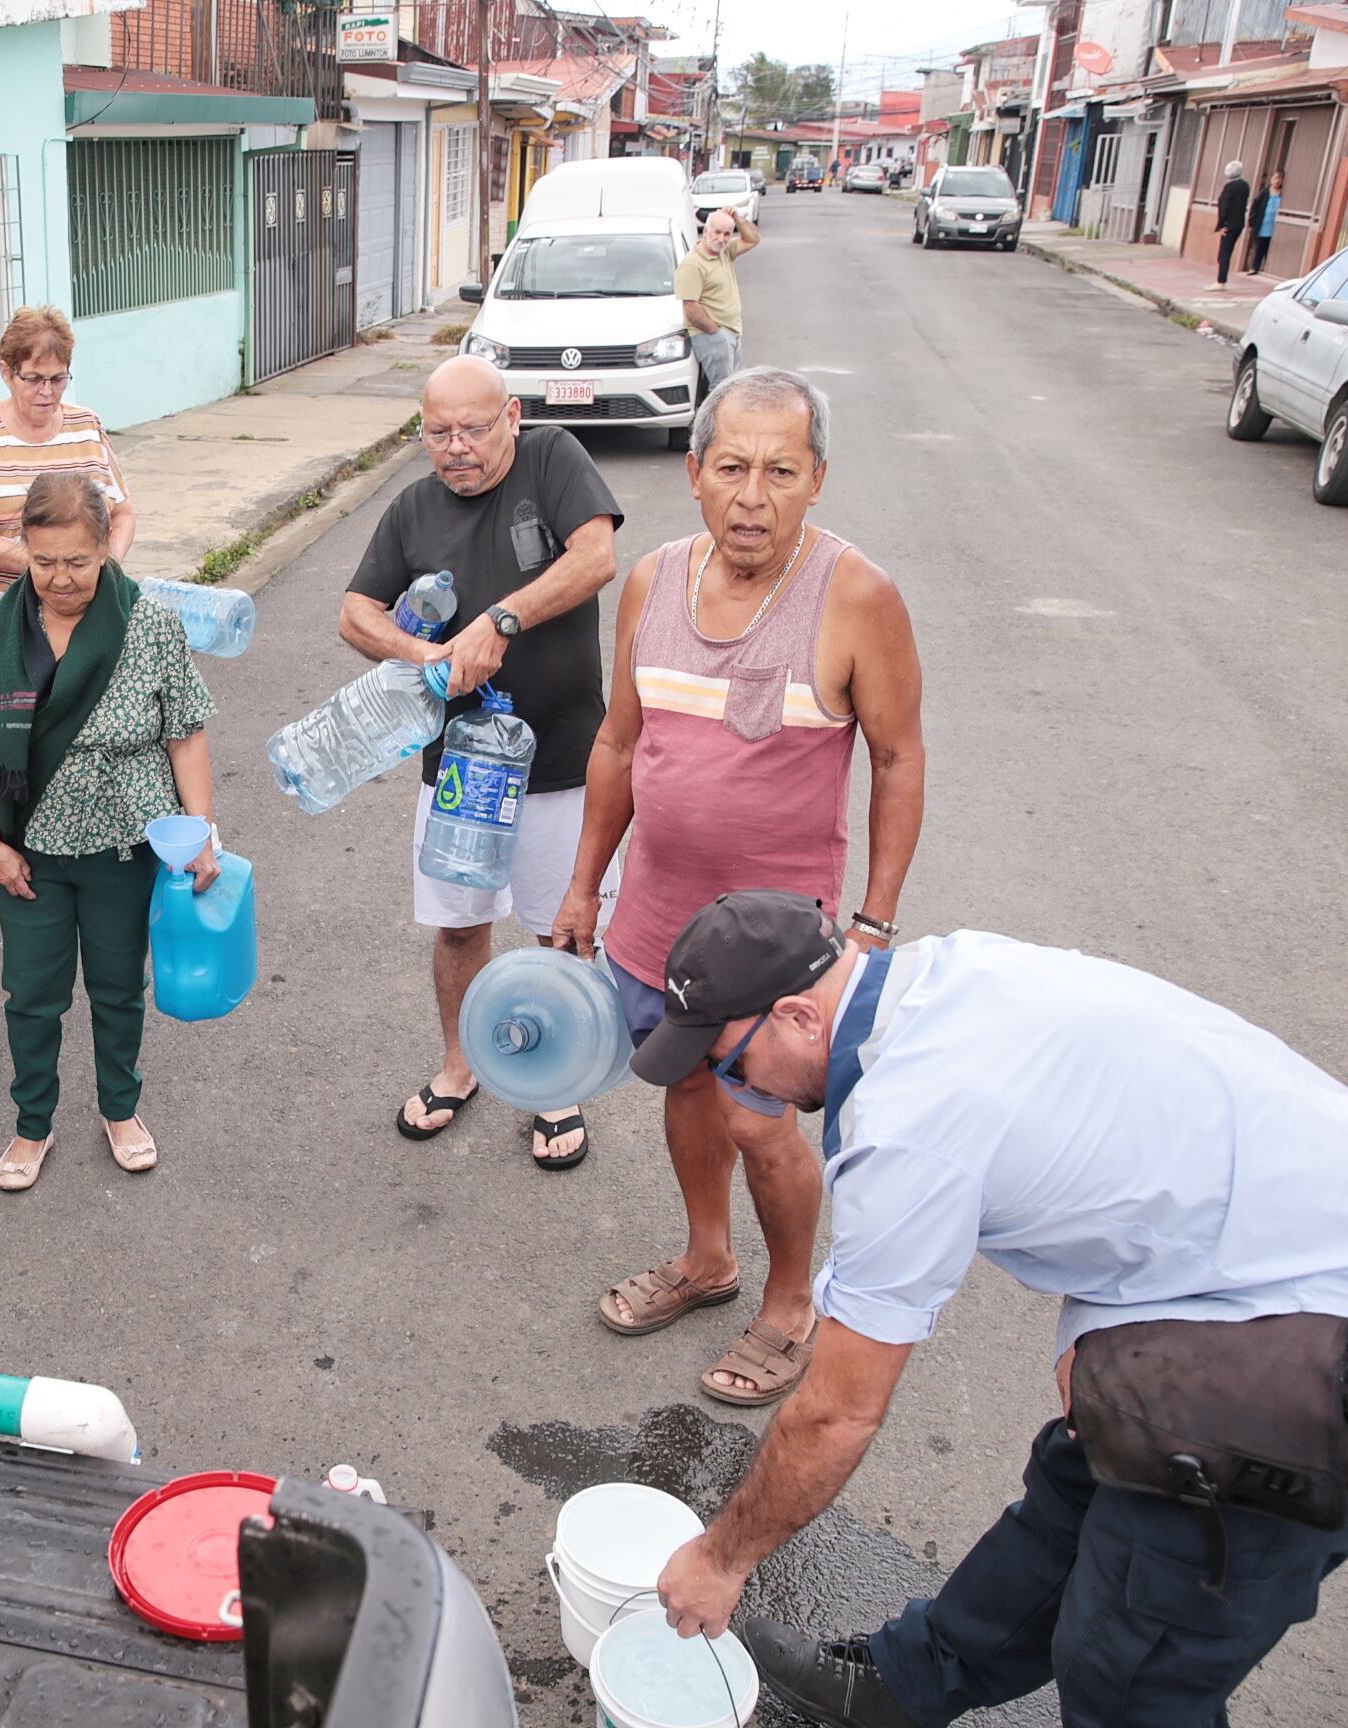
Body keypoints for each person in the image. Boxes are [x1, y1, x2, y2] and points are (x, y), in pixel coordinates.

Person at [632, 891, 1348, 1728]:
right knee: (1080, 1479)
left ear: (797, 1015)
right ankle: (905, 1687)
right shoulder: (947, 973)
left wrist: (724, 1555)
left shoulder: (909, 1125)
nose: (729, 1087)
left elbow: (836, 1415)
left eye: (727, 1061)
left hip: (1336, 1324)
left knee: (1135, 1664)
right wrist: (1099, 1324)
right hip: (1250, 1250)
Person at [550, 367, 924, 1407]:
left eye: (779, 471)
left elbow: (897, 757)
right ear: (694, 474)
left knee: (763, 1124)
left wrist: (875, 924)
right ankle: (708, 1260)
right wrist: (585, 886)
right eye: (732, 468)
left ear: (816, 481)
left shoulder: (857, 595)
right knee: (681, 1084)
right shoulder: (652, 581)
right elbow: (620, 745)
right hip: (658, 914)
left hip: (776, 942)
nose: (753, 494)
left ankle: (791, 1302)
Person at [342, 355, 623, 1169]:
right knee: (460, 924)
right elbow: (354, 613)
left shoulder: (553, 458)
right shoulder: (413, 507)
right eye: (438, 432)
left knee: (558, 927)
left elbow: (595, 556)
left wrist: (499, 621)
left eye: (472, 427)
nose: (456, 446)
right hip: (460, 765)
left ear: (513, 417)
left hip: (564, 757)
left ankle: (554, 1079)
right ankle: (461, 1064)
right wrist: (424, 652)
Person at [0, 472, 215, 1192]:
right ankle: (33, 1124)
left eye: (78, 562)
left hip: (126, 847)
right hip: (31, 852)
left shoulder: (146, 625)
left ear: (105, 549)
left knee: (118, 989)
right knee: (31, 995)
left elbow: (185, 736)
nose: (61, 578)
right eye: (45, 560)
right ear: (23, 548)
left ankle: (121, 1110)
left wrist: (201, 832)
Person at [0, 306, 136, 894]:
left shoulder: (85, 427)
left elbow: (121, 511)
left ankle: (50, 827)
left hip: (79, 615)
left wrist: (105, 566)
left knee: (65, 724)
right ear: (5, 371)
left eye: (58, 378)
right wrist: (35, 565)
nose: (46, 392)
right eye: (33, 378)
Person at [676, 207, 759, 395]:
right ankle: (713, 425)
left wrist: (737, 218)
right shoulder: (693, 263)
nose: (721, 239)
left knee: (729, 386)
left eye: (727, 234)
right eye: (717, 232)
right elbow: (690, 306)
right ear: (706, 231)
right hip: (711, 334)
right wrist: (714, 331)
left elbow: (753, 239)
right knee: (721, 390)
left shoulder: (724, 252)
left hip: (732, 331)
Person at [1215, 160, 1251, 287]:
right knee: (1227, 252)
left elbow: (1224, 207)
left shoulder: (1229, 187)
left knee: (1224, 253)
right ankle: (1221, 279)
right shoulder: (1245, 185)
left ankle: (1221, 282)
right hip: (1239, 223)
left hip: (1229, 224)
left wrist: (1221, 224)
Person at [1246, 168, 1285, 276]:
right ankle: (1254, 267)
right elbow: (1254, 207)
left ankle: (1268, 267)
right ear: (1271, 179)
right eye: (1276, 178)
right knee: (1259, 247)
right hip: (1263, 224)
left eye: (1280, 179)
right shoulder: (1264, 193)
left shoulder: (1283, 194)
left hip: (1275, 226)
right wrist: (1252, 222)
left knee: (1270, 248)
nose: (1277, 181)